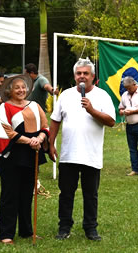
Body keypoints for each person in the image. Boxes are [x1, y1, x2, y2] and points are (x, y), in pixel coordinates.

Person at [48, 58, 116, 241]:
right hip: (69, 154)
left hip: (91, 155)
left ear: (93, 76)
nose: (82, 76)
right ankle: (64, 227)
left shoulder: (103, 96)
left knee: (90, 194)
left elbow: (111, 121)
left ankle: (90, 228)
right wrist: (51, 143)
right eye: (79, 73)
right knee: (66, 193)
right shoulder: (66, 96)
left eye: (86, 73)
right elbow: (55, 120)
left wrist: (92, 110)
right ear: (74, 76)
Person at [0, 74, 49, 245]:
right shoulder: (4, 107)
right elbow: (7, 132)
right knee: (10, 194)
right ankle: (6, 234)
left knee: (27, 194)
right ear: (9, 90)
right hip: (11, 156)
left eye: (23, 87)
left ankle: (26, 231)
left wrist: (39, 138)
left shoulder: (34, 106)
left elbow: (45, 126)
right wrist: (30, 141)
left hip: (31, 154)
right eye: (16, 87)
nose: (21, 90)